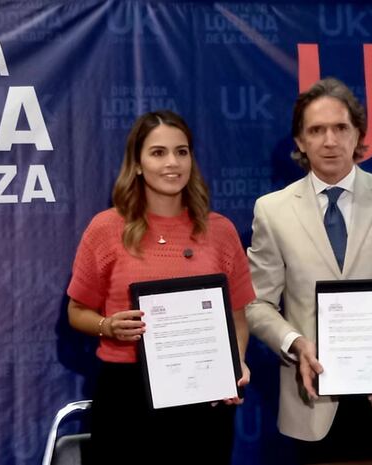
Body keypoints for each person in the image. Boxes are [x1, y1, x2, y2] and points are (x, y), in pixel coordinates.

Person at [245, 77, 372, 463]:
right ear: (300, 141)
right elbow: (257, 303)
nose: (330, 140)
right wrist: (294, 343)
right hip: (313, 403)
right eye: (316, 130)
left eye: (341, 127)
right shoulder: (272, 211)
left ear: (358, 134)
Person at [67, 110, 256, 465]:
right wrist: (107, 326)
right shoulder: (105, 229)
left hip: (205, 396)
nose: (172, 163)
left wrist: (234, 365)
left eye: (181, 152)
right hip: (126, 395)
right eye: (158, 152)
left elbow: (238, 317)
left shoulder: (220, 230)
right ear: (137, 164)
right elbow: (76, 312)